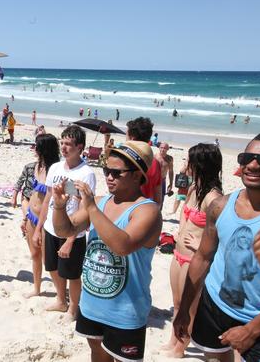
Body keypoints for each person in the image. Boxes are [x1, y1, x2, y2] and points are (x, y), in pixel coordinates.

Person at [173, 131, 260, 362]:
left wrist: (251, 331)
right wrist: (184, 310)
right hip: (214, 307)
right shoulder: (221, 206)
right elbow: (203, 258)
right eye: (246, 158)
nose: (251, 165)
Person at [52, 141, 162, 362]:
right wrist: (60, 206)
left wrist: (91, 207)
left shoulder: (147, 211)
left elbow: (122, 246)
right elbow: (64, 229)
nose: (108, 177)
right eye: (106, 171)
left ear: (137, 174)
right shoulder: (101, 202)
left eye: (116, 172)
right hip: (92, 305)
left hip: (125, 312)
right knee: (97, 354)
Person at [162, 143, 223, 358]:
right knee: (177, 303)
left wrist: (201, 246)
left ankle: (182, 344)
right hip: (179, 254)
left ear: (200, 165)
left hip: (194, 258)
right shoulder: (193, 189)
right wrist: (179, 231)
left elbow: (222, 232)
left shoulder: (213, 198)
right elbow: (184, 213)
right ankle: (173, 340)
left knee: (190, 306)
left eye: (189, 161)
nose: (185, 164)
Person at [35, 126, 96, 319]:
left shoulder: (87, 173)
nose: (63, 147)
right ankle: (61, 300)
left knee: (72, 274)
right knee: (52, 267)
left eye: (68, 144)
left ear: (80, 147)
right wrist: (38, 228)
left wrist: (71, 240)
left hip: (73, 232)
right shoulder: (55, 167)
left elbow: (84, 208)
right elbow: (47, 200)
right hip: (50, 227)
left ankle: (73, 308)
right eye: (62, 143)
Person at [21, 134, 60, 300]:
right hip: (31, 216)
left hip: (46, 220)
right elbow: (31, 194)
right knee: (34, 254)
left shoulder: (56, 169)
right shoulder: (37, 166)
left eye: (37, 146)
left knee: (48, 260)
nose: (34, 149)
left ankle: (60, 294)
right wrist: (24, 217)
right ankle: (36, 288)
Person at [127, 117, 162, 205]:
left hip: (126, 208)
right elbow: (158, 198)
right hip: (146, 208)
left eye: (126, 135)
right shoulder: (155, 162)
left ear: (132, 137)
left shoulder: (125, 159)